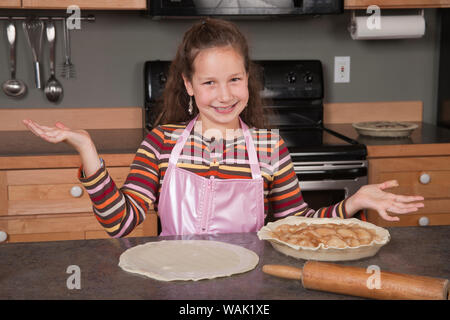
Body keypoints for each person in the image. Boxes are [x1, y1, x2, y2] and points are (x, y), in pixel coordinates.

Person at [22, 18, 424, 238]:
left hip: (250, 291)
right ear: (189, 86)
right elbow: (120, 222)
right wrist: (88, 152)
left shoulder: (269, 148)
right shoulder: (162, 143)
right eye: (209, 82)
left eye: (234, 79)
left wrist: (353, 206)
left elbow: (295, 227)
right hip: (176, 286)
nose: (224, 95)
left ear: (248, 78)